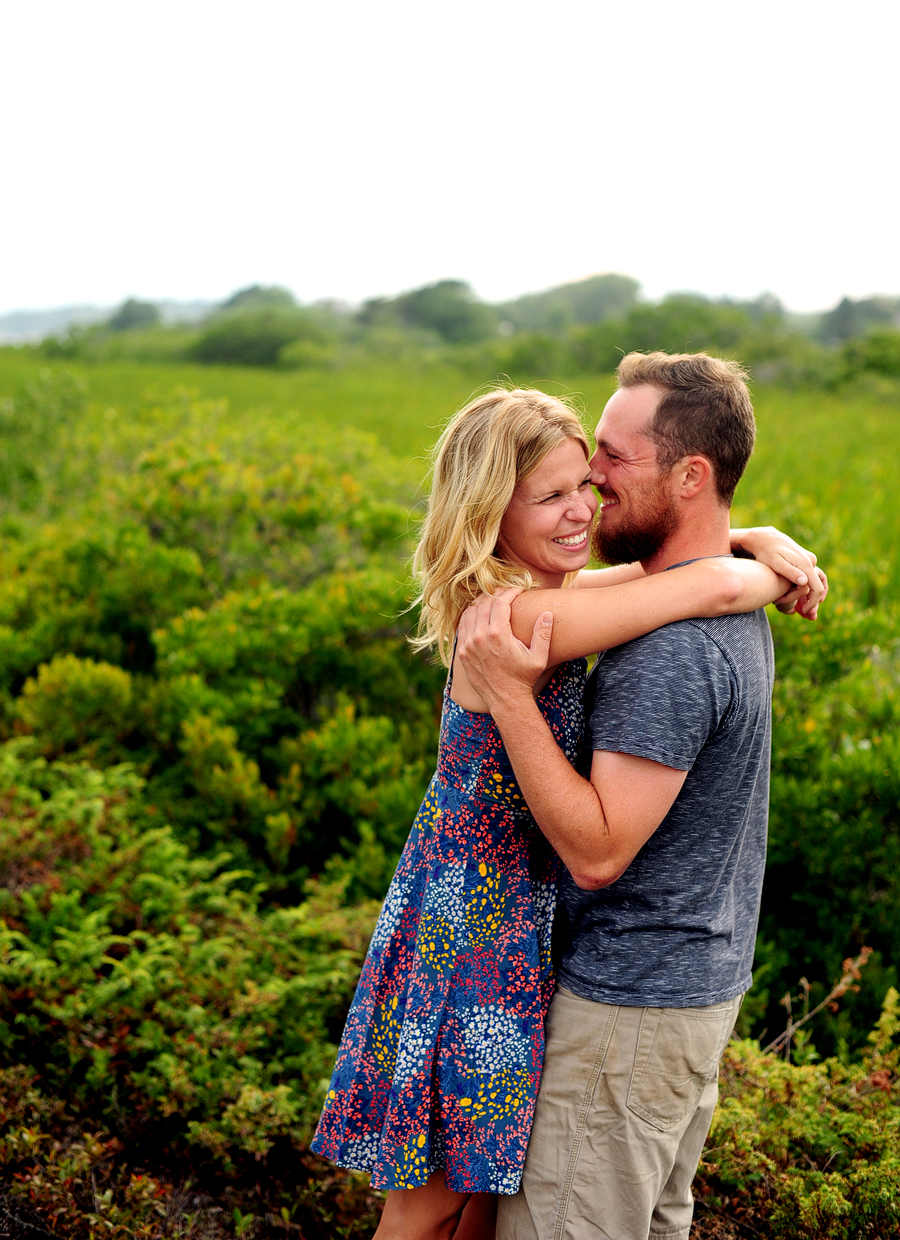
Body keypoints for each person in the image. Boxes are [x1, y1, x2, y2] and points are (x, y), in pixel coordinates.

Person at [311, 384, 824, 1240]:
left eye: (584, 483)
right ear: (489, 514)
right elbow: (685, 593)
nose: (582, 508)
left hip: (510, 922)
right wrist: (756, 562)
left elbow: (651, 577)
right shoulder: (517, 614)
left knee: (481, 1192)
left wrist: (748, 539)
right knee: (429, 1204)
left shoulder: (561, 597)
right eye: (549, 497)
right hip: (470, 929)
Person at [456, 353, 826, 1240]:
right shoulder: (700, 607)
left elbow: (598, 850)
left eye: (614, 458)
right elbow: (686, 578)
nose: (591, 480)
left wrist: (510, 697)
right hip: (682, 993)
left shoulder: (671, 646)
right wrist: (755, 550)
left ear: (690, 475)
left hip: (629, 1007)